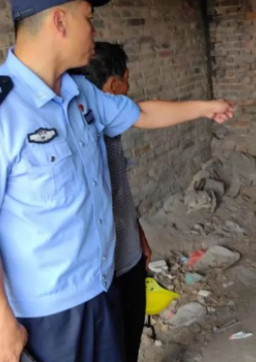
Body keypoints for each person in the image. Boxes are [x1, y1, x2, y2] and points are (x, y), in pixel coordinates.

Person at [0, 0, 234, 362]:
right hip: (50, 314)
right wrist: (0, 324)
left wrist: (204, 107)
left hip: (100, 287)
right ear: (59, 21)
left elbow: (140, 113)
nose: (94, 32)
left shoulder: (78, 92)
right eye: (89, 18)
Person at [74, 42, 152, 362]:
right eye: (127, 79)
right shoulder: (90, 138)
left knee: (128, 339)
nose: (129, 89)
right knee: (118, 344)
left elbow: (118, 194)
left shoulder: (107, 130)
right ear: (113, 86)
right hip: (108, 270)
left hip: (128, 254)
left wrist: (138, 232)